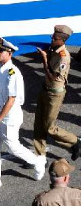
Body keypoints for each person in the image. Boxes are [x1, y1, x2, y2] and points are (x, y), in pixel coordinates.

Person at [0, 38, 46, 190]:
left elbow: (11, 100)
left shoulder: (13, 73)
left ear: (9, 53)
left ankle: (37, 162)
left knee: (12, 147)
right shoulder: (0, 68)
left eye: (0, 51)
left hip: (9, 114)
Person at [33, 25, 80, 160]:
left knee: (49, 128)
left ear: (62, 40)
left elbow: (53, 76)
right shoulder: (54, 48)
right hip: (45, 89)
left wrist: (44, 59)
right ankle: (39, 157)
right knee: (38, 125)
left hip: (54, 94)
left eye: (55, 37)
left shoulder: (64, 57)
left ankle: (75, 141)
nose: (51, 38)